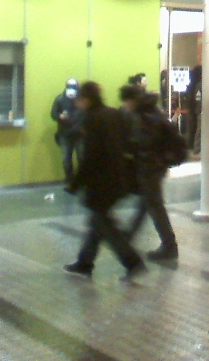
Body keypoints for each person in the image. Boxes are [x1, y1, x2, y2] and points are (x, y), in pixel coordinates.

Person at [63, 82, 146, 280]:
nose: (77, 104)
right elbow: (127, 143)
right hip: (118, 177)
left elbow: (90, 157)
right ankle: (85, 262)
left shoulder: (93, 119)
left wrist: (75, 183)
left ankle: (133, 262)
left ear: (86, 99)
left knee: (104, 225)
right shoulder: (113, 113)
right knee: (97, 222)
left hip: (102, 182)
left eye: (79, 99)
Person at [120, 85, 179, 262]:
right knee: (147, 203)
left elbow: (144, 143)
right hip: (155, 166)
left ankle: (170, 246)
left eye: (126, 102)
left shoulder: (143, 116)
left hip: (150, 167)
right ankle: (129, 236)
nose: (124, 106)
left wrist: (130, 148)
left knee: (154, 205)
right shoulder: (151, 110)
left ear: (131, 101)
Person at [50, 78, 84, 185]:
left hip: (80, 134)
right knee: (66, 159)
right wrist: (60, 116)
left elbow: (88, 113)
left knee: (82, 158)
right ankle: (70, 179)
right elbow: (53, 113)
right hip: (64, 134)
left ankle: (82, 179)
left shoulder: (82, 100)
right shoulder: (60, 99)